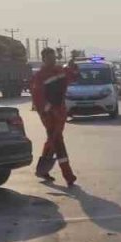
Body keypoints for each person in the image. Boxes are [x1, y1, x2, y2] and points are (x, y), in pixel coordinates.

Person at [29, 47, 78, 185]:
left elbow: (73, 77)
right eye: (49, 58)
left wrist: (74, 67)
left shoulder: (60, 70)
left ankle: (42, 170)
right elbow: (38, 98)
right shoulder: (39, 76)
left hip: (61, 112)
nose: (52, 60)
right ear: (43, 59)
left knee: (52, 139)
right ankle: (68, 175)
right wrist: (49, 111)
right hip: (49, 116)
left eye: (53, 57)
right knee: (57, 141)